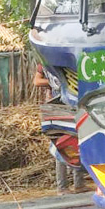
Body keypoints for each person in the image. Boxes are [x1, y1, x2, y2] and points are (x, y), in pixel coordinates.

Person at [33, 64, 85, 193]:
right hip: (57, 105)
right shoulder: (47, 62)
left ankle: (79, 184)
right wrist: (57, 83)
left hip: (71, 104)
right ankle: (62, 187)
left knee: (77, 142)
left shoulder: (66, 60)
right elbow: (37, 81)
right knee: (62, 143)